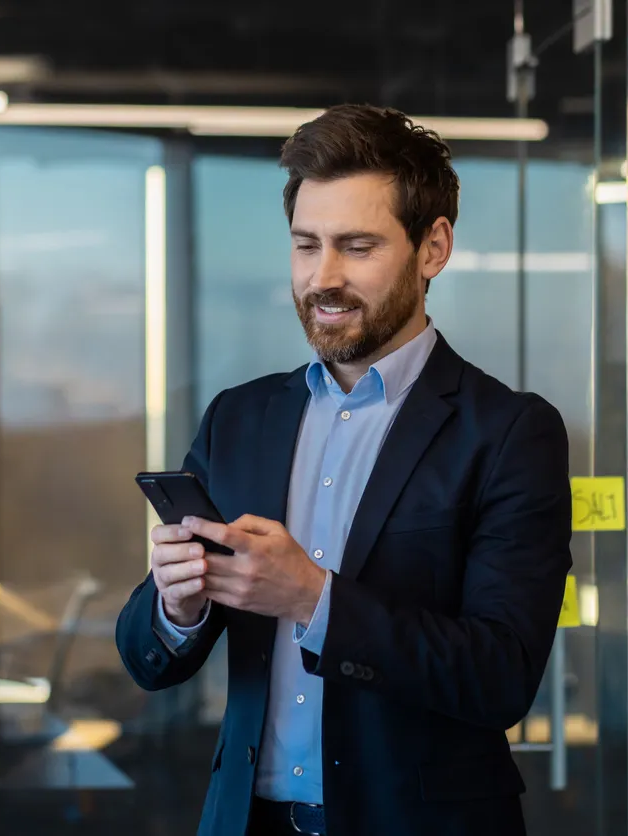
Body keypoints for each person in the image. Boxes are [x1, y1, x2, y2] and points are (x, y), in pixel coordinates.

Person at [115, 103, 572, 836]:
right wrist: (178, 605)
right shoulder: (239, 418)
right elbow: (148, 659)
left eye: (356, 247)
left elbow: (500, 676)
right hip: (246, 821)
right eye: (305, 246)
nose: (322, 277)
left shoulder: (510, 433)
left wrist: (312, 599)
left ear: (433, 247)